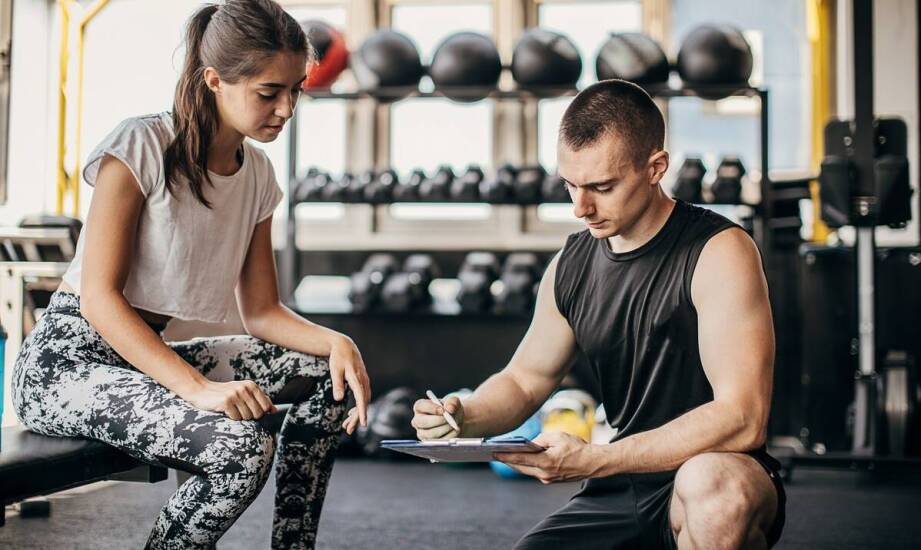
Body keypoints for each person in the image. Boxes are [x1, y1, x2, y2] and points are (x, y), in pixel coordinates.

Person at [11, 1, 370, 548]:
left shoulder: (259, 178)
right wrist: (199, 389)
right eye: (268, 92)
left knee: (328, 375)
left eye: (295, 89)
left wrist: (336, 341)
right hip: (66, 366)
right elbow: (99, 300)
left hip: (147, 359)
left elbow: (262, 311)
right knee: (242, 449)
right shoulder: (141, 145)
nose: (287, 108)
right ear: (214, 81)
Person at [412, 79, 785, 549]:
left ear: (656, 168)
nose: (580, 208)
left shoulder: (718, 252)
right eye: (570, 185)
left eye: (601, 187)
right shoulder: (571, 265)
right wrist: (463, 415)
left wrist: (597, 458)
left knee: (710, 487)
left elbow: (743, 415)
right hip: (624, 484)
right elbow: (525, 380)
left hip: (719, 470)